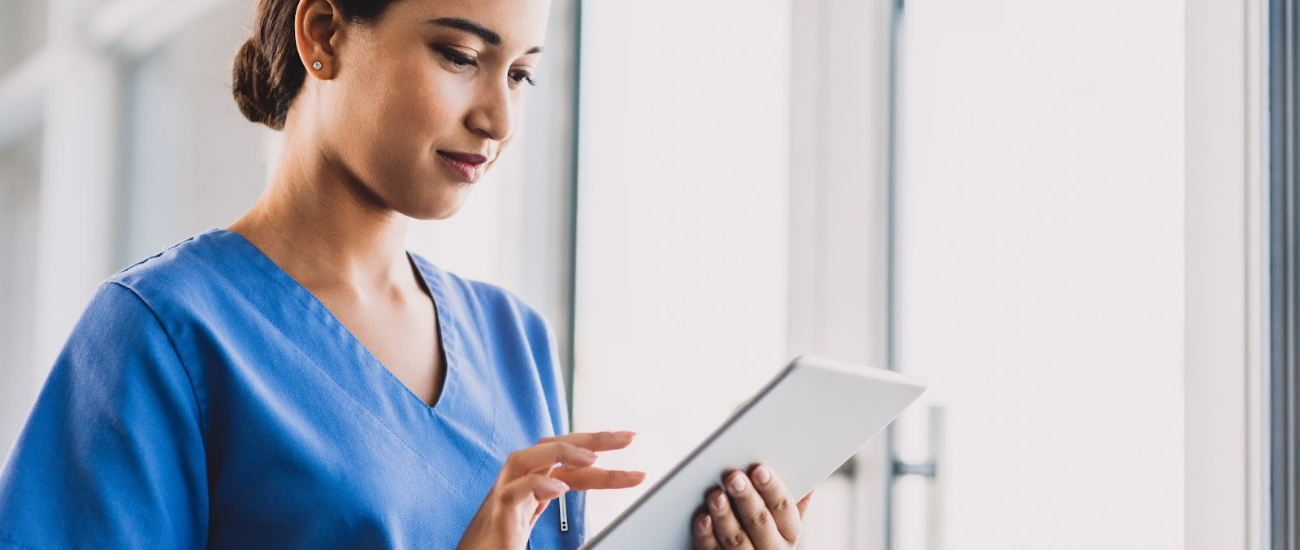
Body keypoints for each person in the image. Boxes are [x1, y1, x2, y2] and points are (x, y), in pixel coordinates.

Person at [0, 0, 811, 548]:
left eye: (522, 74)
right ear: (322, 36)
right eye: (461, 55)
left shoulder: (512, 339)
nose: (498, 118)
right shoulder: (163, 334)